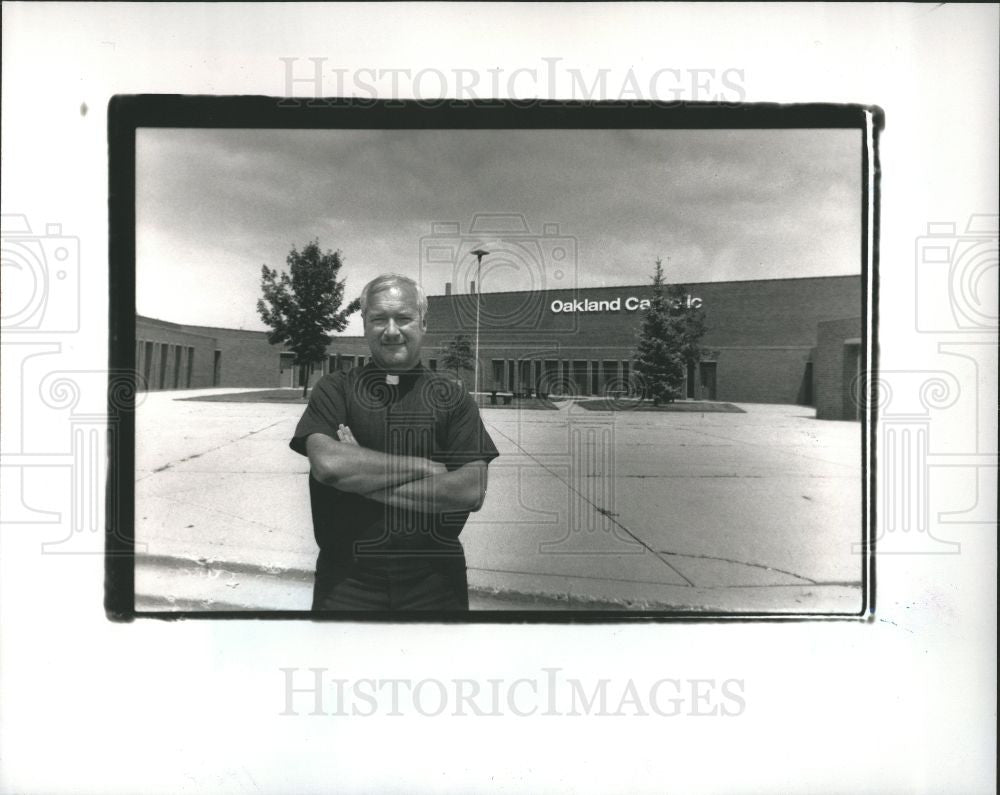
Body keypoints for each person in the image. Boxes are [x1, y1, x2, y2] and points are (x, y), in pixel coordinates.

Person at [289, 273, 499, 610]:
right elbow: (329, 466)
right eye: (378, 319)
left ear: (423, 323)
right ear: (364, 324)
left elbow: (470, 490)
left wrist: (359, 477)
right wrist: (426, 468)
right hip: (346, 583)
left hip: (435, 583)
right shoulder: (335, 389)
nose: (391, 331)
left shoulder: (452, 398)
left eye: (403, 318)